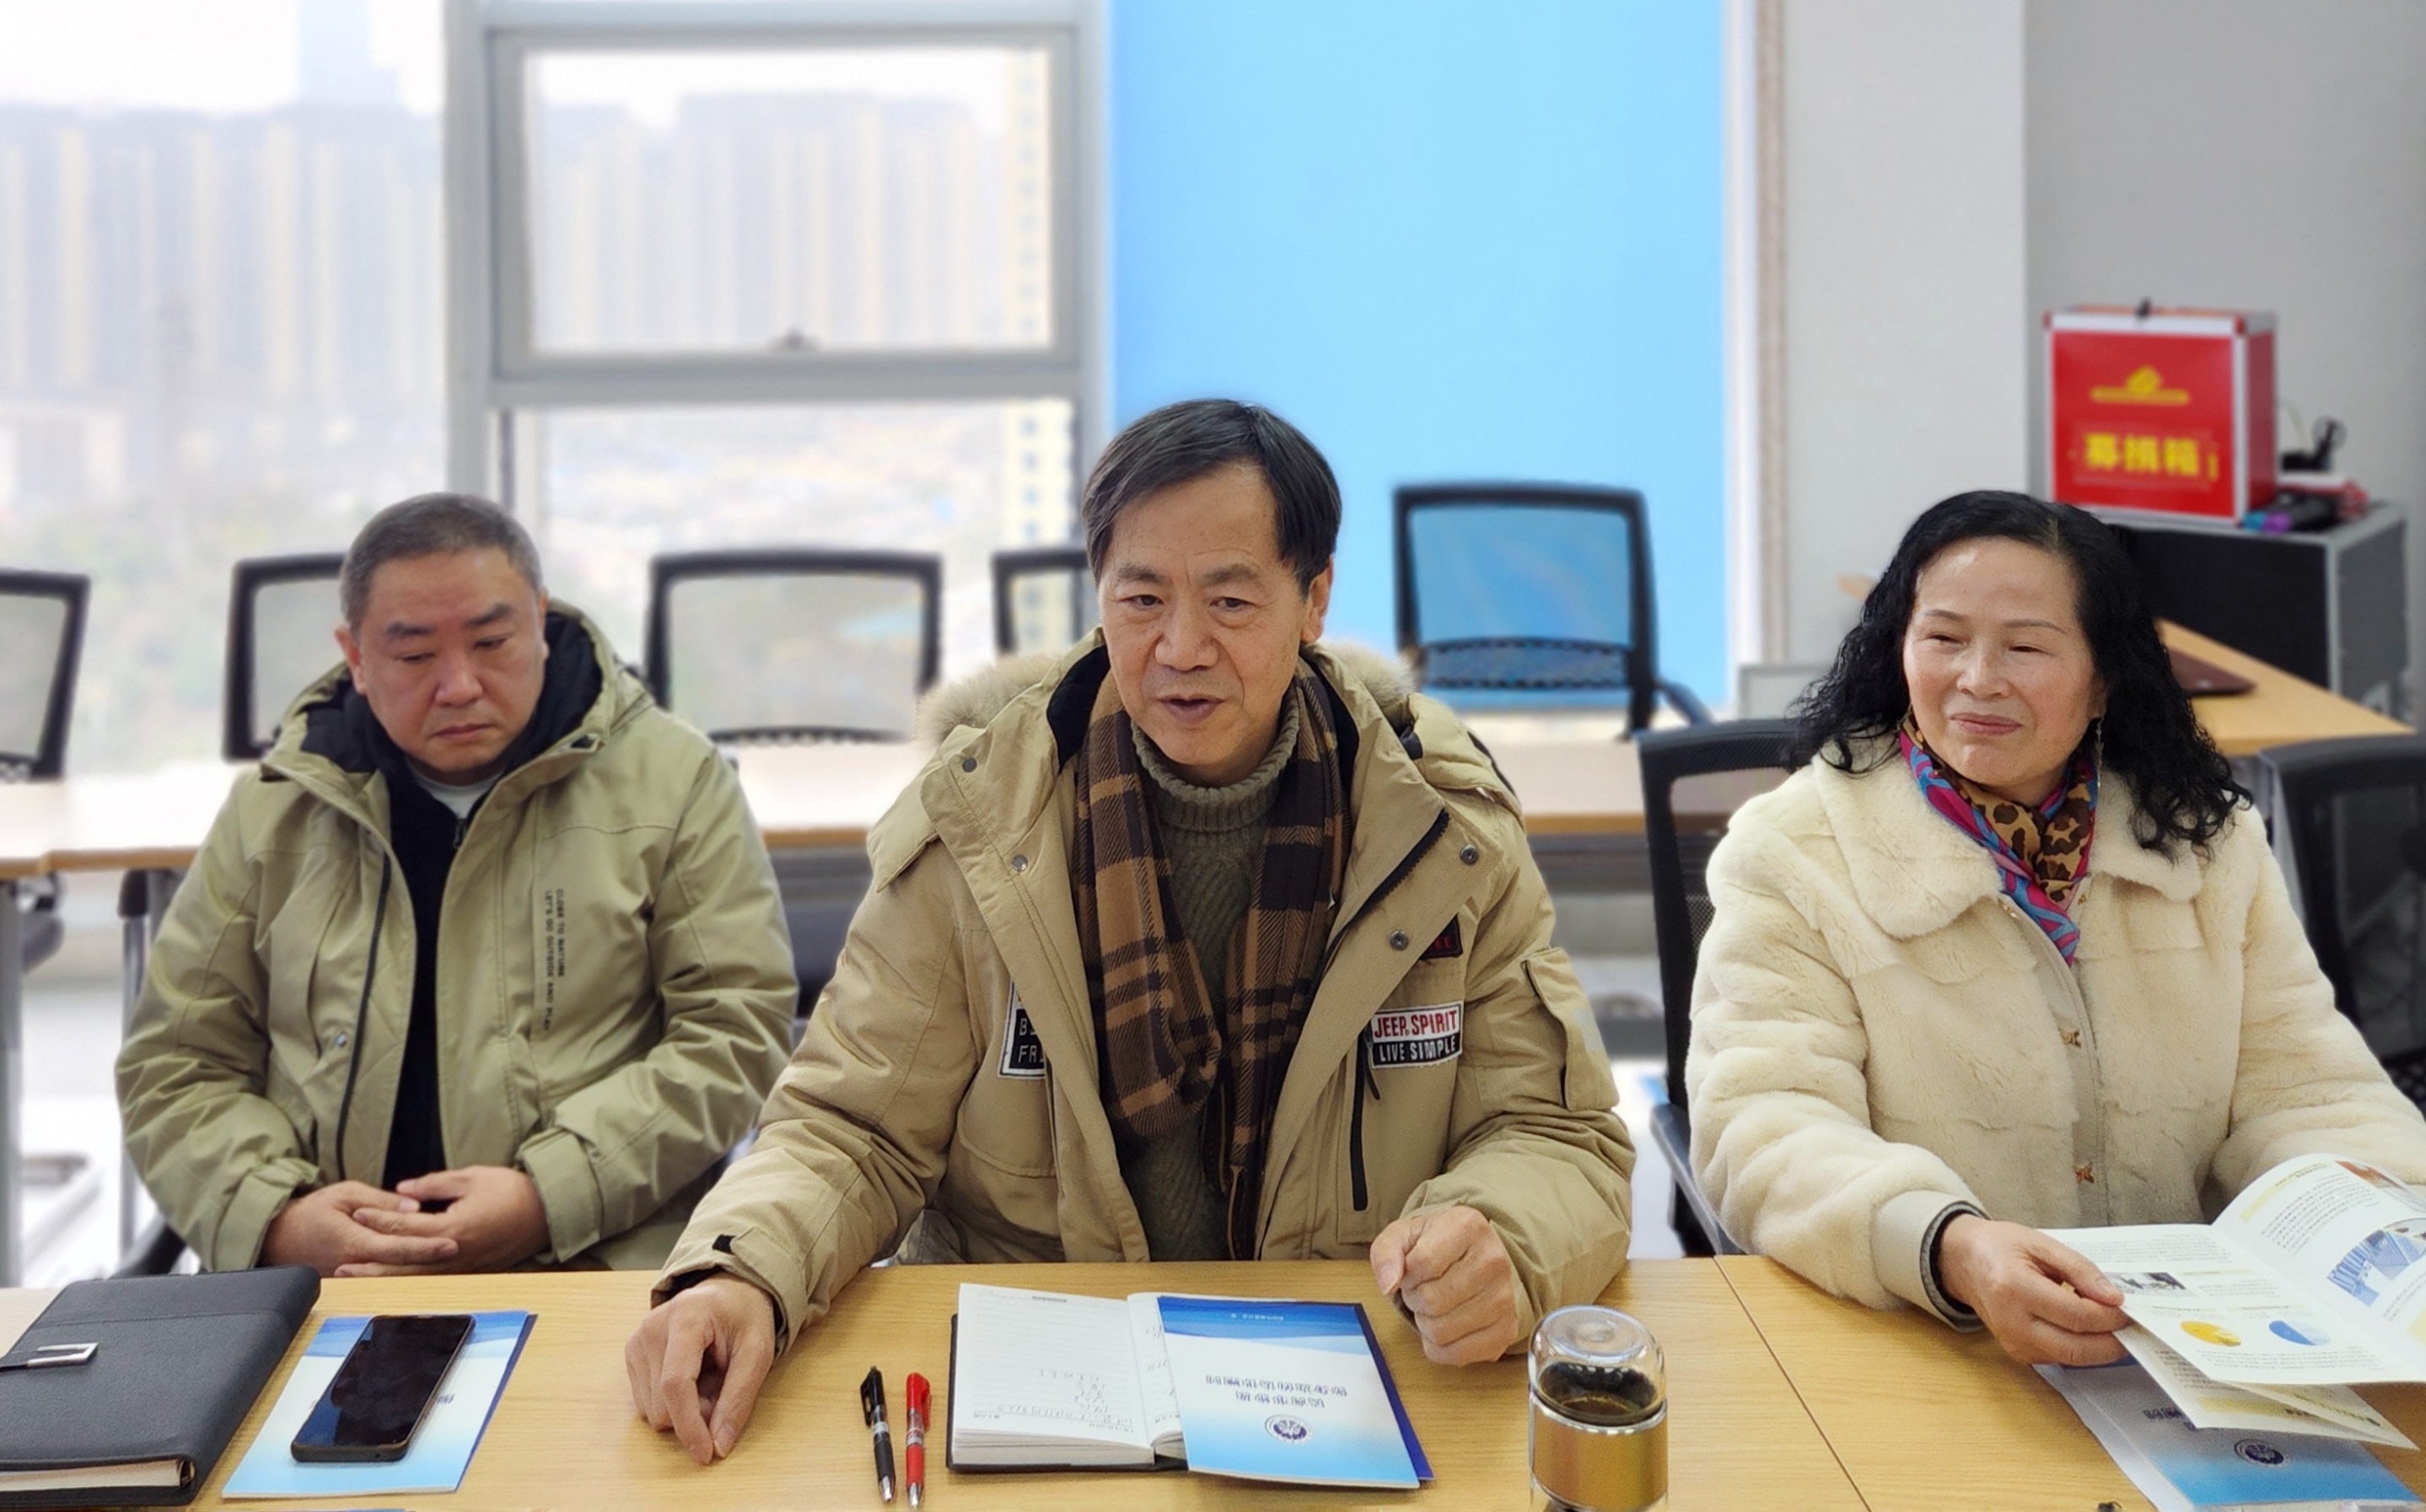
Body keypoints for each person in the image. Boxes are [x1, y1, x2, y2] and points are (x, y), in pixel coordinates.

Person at [625, 400, 1635, 1464]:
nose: (1180, 648)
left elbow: (1556, 1133)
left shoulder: (1439, 832)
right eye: (1142, 598)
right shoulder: (981, 824)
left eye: (1231, 599)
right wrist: (741, 1270)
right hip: (1042, 1382)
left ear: (1314, 599)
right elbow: (850, 1127)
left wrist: (1501, 1235)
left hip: (1341, 1368)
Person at [1686, 490, 2426, 1366]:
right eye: (1943, 638)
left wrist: (2383, 1234)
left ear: (2104, 674)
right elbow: (1764, 1125)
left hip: (2191, 1348)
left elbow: (2308, 1090)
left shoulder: (2204, 839)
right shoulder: (1793, 851)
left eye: (2026, 647)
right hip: (1933, 1341)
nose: (1977, 679)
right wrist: (1950, 1247)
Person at [117, 493, 796, 1277]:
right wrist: (276, 1217)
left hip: (590, 1261)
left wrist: (551, 1194)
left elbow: (734, 1032)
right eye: (414, 657)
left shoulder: (674, 781)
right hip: (325, 1282)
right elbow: (176, 1064)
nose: (460, 685)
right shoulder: (279, 807)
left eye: (493, 642)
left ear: (540, 620)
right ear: (355, 656)